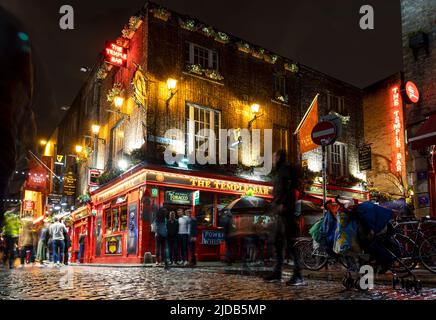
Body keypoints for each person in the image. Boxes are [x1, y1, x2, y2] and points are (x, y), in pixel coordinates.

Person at [264, 150, 304, 286]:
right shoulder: (278, 172)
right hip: (278, 211)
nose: (273, 159)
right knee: (277, 242)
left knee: (290, 244)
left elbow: (292, 188)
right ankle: (277, 273)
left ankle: (298, 275)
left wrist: (284, 204)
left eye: (274, 156)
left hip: (286, 212)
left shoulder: (286, 169)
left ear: (279, 157)